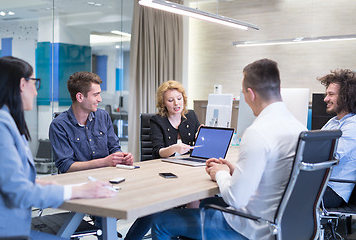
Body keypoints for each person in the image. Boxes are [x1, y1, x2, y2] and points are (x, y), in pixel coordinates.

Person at [151, 59, 307, 240]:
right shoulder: (299, 128)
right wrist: (235, 171)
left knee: (161, 222)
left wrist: (220, 172)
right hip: (286, 226)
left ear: (250, 94)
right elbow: (276, 175)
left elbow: (236, 198)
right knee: (207, 203)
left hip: (252, 228)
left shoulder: (258, 132)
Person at [0, 56, 116, 239]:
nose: (36, 93)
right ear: (22, 84)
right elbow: (17, 190)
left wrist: (45, 184)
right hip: (8, 231)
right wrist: (78, 190)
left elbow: (11, 180)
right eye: (34, 83)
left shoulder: (9, 122)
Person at [49, 71, 134, 173]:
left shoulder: (103, 116)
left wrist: (122, 157)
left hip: (107, 177)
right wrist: (104, 162)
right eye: (96, 95)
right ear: (80, 97)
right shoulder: (59, 125)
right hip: (77, 182)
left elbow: (114, 148)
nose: (100, 99)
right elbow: (66, 166)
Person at [318, 69, 356, 208]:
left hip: (334, 190)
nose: (325, 99)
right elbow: (316, 147)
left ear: (346, 97)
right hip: (320, 183)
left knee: (284, 195)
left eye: (331, 94)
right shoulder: (334, 122)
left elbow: (328, 155)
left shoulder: (353, 125)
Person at [150, 80, 200, 159]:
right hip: (164, 165)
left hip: (188, 163)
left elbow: (199, 146)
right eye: (170, 100)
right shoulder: (157, 120)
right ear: (163, 103)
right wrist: (174, 149)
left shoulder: (191, 116)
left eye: (179, 98)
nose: (176, 103)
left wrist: (200, 136)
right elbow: (158, 152)